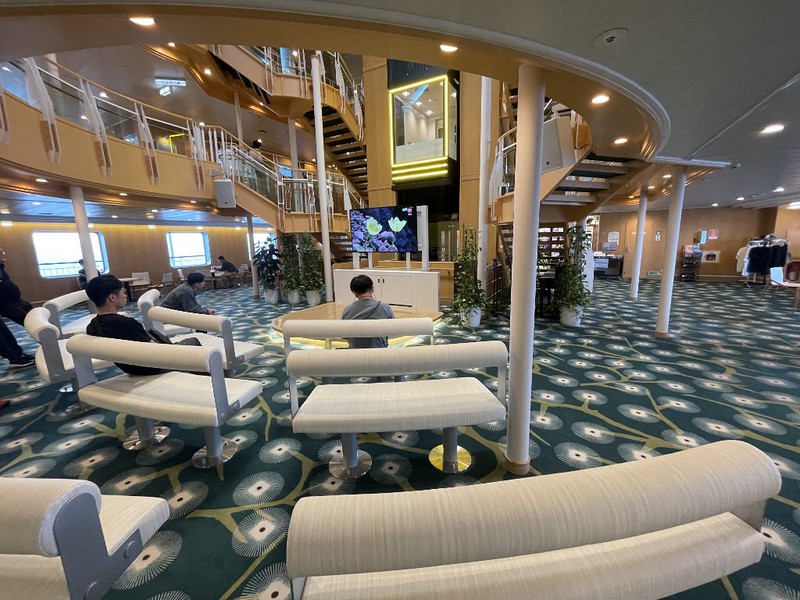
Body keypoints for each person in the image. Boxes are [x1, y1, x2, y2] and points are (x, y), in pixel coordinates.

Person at [85, 274, 166, 376]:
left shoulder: (92, 327)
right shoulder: (127, 324)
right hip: (154, 368)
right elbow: (158, 352)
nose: (125, 296)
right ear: (112, 297)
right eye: (123, 293)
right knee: (191, 343)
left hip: (130, 369)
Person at [0, 247, 35, 373]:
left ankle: (17, 354)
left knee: (33, 319)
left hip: (12, 301)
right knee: (1, 333)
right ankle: (15, 358)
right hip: (6, 303)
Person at [341, 274, 394, 348]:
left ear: (354, 292)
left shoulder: (347, 310)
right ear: (372, 288)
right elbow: (392, 331)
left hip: (355, 354)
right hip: (380, 353)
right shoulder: (385, 308)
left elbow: (344, 335)